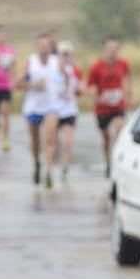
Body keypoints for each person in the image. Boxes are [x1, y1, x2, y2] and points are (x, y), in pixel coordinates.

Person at [20, 33, 62, 188]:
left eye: (46, 45)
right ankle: (37, 162)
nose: (44, 48)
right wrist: (32, 85)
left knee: (50, 138)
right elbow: (17, 83)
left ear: (50, 48)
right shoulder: (31, 62)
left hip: (51, 106)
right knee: (36, 141)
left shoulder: (56, 62)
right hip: (33, 107)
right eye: (41, 45)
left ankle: (49, 171)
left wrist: (65, 89)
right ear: (37, 47)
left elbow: (67, 77)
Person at [85, 37, 131, 176]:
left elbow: (127, 80)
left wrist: (128, 94)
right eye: (110, 49)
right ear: (105, 49)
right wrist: (98, 96)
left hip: (118, 106)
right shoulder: (97, 67)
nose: (113, 52)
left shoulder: (123, 64)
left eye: (115, 49)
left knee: (119, 130)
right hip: (102, 108)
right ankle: (108, 161)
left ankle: (118, 160)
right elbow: (90, 87)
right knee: (105, 138)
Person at [52, 40, 82, 186]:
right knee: (55, 144)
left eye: (67, 54)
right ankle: (50, 168)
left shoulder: (75, 70)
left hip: (69, 110)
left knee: (68, 143)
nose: (65, 57)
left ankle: (65, 170)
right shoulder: (51, 69)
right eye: (63, 54)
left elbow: (80, 88)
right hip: (54, 110)